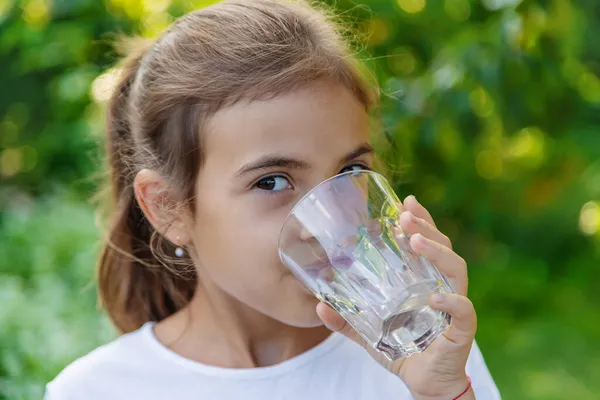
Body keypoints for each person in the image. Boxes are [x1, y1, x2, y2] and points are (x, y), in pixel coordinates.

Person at [44, 1, 501, 399]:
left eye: (348, 173)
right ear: (169, 207)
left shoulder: (426, 355)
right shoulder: (98, 391)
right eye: (272, 182)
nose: (333, 223)